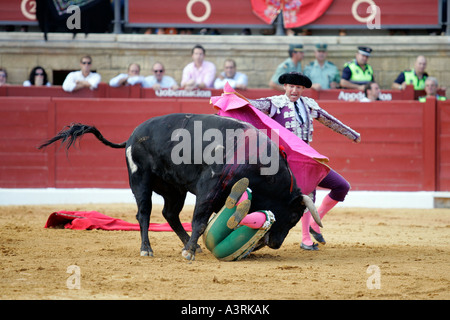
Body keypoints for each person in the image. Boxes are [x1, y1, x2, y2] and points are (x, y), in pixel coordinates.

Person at [253, 72, 361, 251]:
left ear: (303, 89)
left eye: (298, 87)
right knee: (307, 193)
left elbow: (330, 120)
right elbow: (250, 106)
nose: (294, 90)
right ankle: (305, 239)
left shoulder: (308, 105)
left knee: (342, 186)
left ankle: (314, 223)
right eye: (291, 86)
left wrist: (353, 135)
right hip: (282, 162)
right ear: (285, 87)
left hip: (306, 158)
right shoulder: (274, 104)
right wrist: (232, 99)